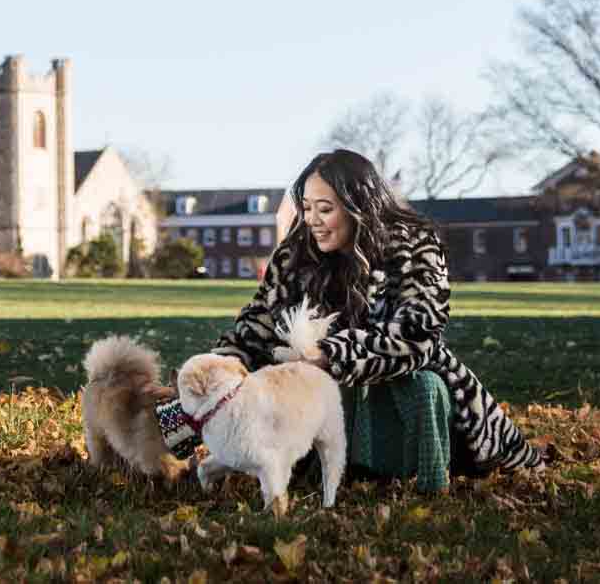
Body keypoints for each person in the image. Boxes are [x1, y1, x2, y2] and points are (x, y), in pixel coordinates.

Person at [160, 148, 549, 482]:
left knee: (424, 386)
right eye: (307, 208)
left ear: (358, 206)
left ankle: (418, 470)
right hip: (318, 393)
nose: (311, 219)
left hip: (395, 384)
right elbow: (258, 324)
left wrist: (332, 354)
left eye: (325, 209)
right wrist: (203, 388)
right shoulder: (297, 254)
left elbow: (417, 333)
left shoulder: (413, 246)